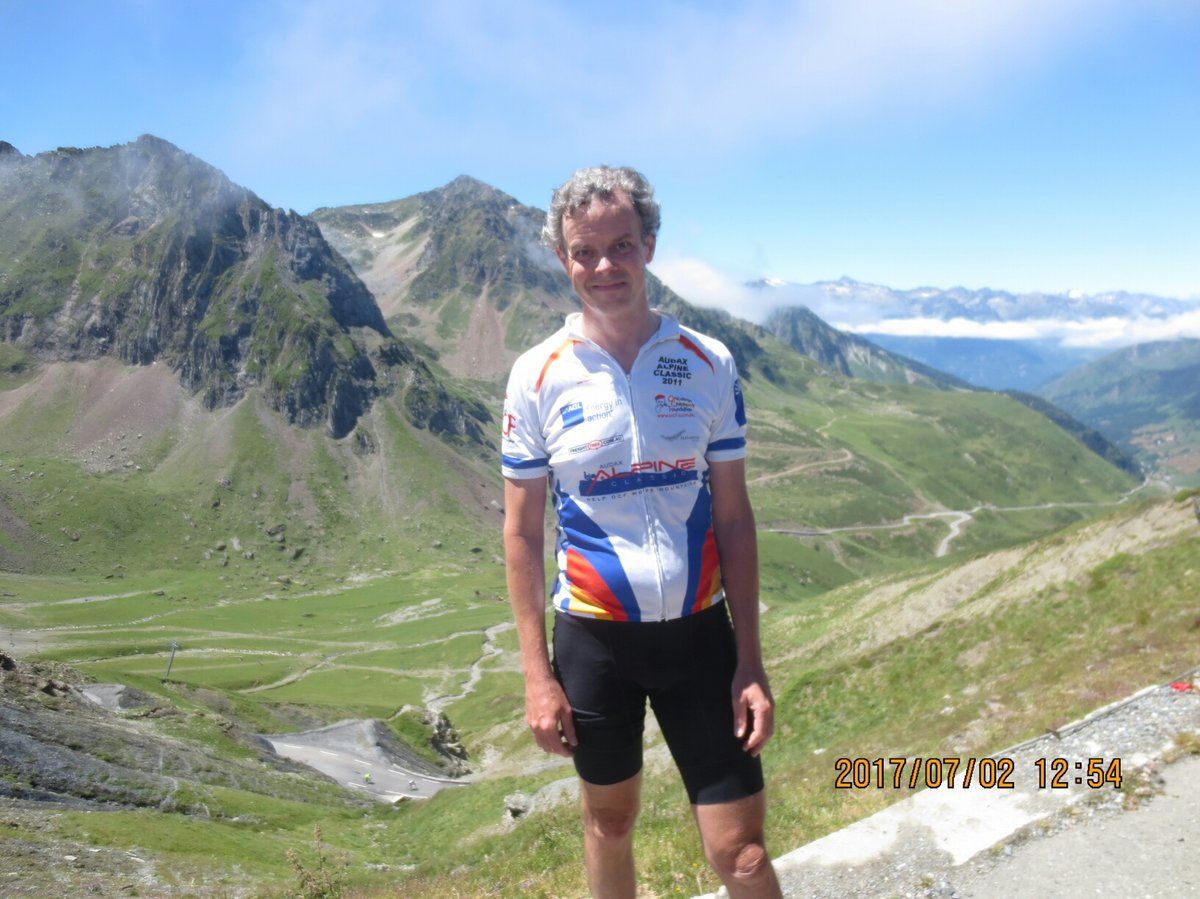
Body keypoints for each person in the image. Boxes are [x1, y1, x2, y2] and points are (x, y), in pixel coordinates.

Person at [501, 166, 781, 898]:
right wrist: (537, 675)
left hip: (700, 640)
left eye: (620, 245)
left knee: (743, 854)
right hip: (595, 642)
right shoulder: (536, 376)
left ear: (649, 245)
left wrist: (750, 659)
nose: (603, 267)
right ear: (563, 259)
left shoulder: (708, 361)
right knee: (610, 827)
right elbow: (523, 535)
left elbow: (734, 516)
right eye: (584, 252)